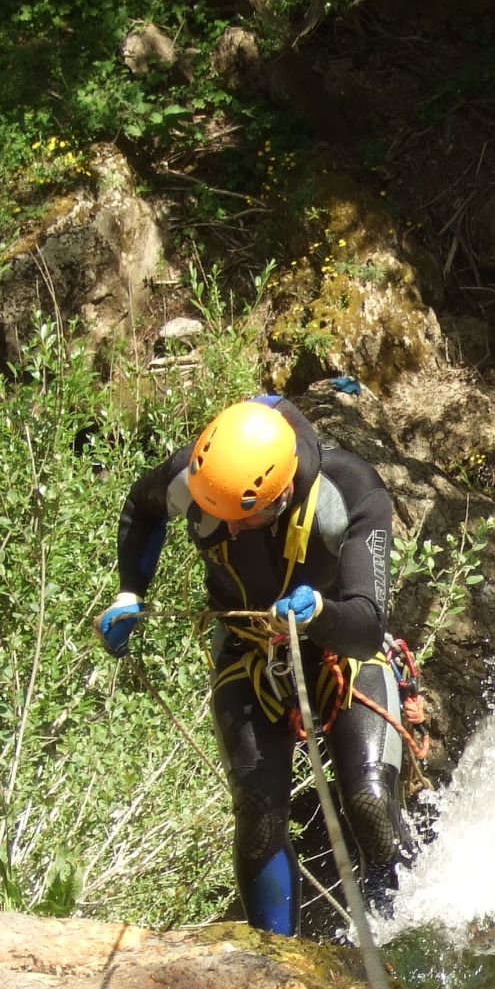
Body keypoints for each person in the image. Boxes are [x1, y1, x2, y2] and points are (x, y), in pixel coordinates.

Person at [97, 393, 414, 936]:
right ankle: (271, 957)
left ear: (283, 492)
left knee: (368, 798)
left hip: (341, 649)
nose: (232, 530)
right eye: (220, 517)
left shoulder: (351, 490)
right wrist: (130, 592)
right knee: (257, 808)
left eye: (246, 518)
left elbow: (366, 627)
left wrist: (319, 612)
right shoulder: (198, 478)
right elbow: (141, 509)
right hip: (248, 654)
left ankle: (399, 933)